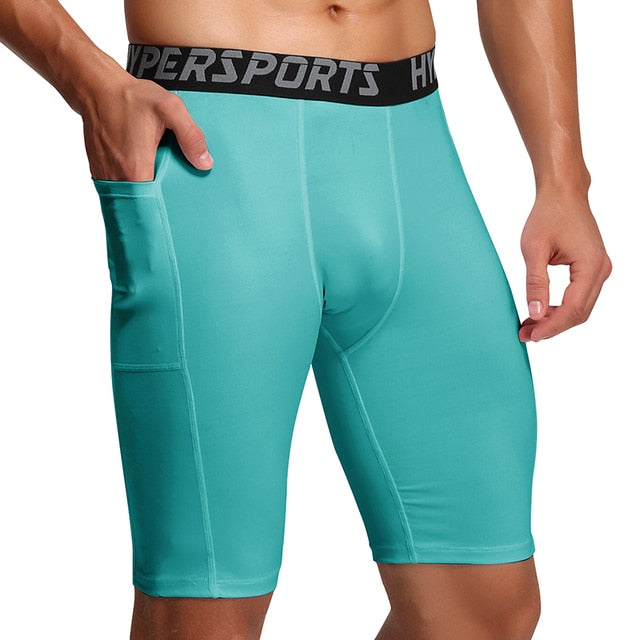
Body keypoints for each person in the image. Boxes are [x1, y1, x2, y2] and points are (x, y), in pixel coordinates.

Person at [0, 0, 612, 638]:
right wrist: (93, 85)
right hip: (210, 143)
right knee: (205, 610)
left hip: (411, 145)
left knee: (485, 613)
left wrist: (564, 179)